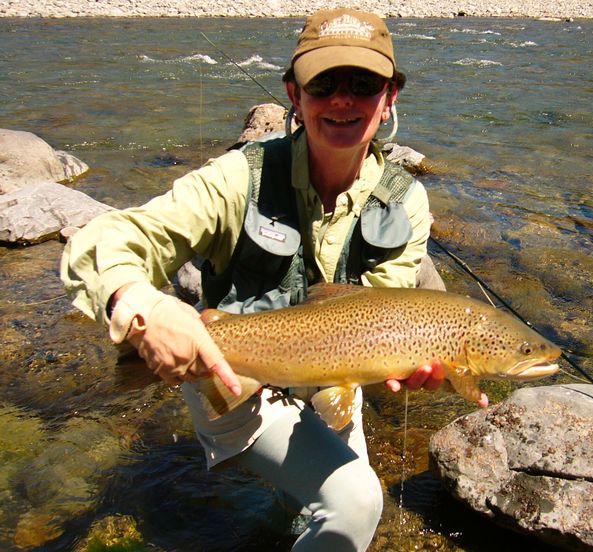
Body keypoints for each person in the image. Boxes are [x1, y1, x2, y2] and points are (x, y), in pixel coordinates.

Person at [61, 8, 449, 552]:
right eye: (323, 83)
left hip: (331, 377)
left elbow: (381, 311)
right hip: (230, 375)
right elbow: (104, 240)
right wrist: (140, 304)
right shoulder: (237, 177)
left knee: (310, 511)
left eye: (363, 84)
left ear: (389, 99)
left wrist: (407, 358)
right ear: (295, 94)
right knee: (356, 503)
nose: (343, 99)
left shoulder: (406, 199)